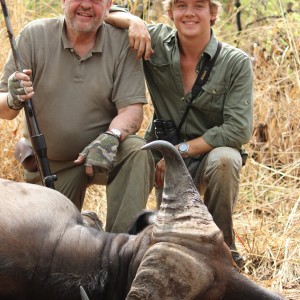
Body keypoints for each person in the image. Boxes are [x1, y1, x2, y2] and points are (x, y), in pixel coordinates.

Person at [106, 0, 254, 267]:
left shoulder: (235, 62)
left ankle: (223, 251)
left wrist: (178, 153)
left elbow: (238, 129)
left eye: (199, 5)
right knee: (135, 155)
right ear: (170, 12)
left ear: (212, 12)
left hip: (204, 156)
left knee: (226, 160)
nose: (189, 13)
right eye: (181, 5)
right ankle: (119, 252)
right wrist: (134, 22)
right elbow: (106, 11)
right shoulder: (157, 41)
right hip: (161, 149)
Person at [0, 0, 155, 233]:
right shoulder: (34, 35)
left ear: (108, 5)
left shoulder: (123, 41)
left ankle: (121, 248)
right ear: (63, 1)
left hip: (103, 155)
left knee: (137, 152)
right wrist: (12, 97)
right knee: (50, 245)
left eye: (95, 0)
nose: (85, 5)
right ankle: (89, 222)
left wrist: (111, 137)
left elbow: (131, 110)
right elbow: (5, 110)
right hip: (51, 166)